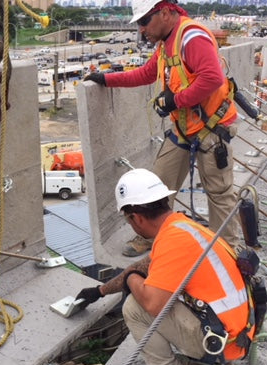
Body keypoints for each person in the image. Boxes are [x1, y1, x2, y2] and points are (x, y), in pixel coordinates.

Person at [75, 169, 252, 365]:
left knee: (135, 308)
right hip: (237, 333)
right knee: (160, 293)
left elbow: (152, 304)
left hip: (224, 342)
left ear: (136, 218)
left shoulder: (173, 241)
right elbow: (143, 266)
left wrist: (132, 280)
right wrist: (101, 291)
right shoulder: (183, 227)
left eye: (128, 221)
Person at [84, 0, 241, 255]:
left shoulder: (191, 38)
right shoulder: (167, 44)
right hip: (184, 129)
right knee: (157, 186)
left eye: (144, 21)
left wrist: (175, 101)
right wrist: (106, 79)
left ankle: (227, 252)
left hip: (211, 130)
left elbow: (213, 78)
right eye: (139, 23)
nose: (141, 29)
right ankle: (151, 237)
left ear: (165, 13)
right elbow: (146, 73)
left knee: (219, 194)